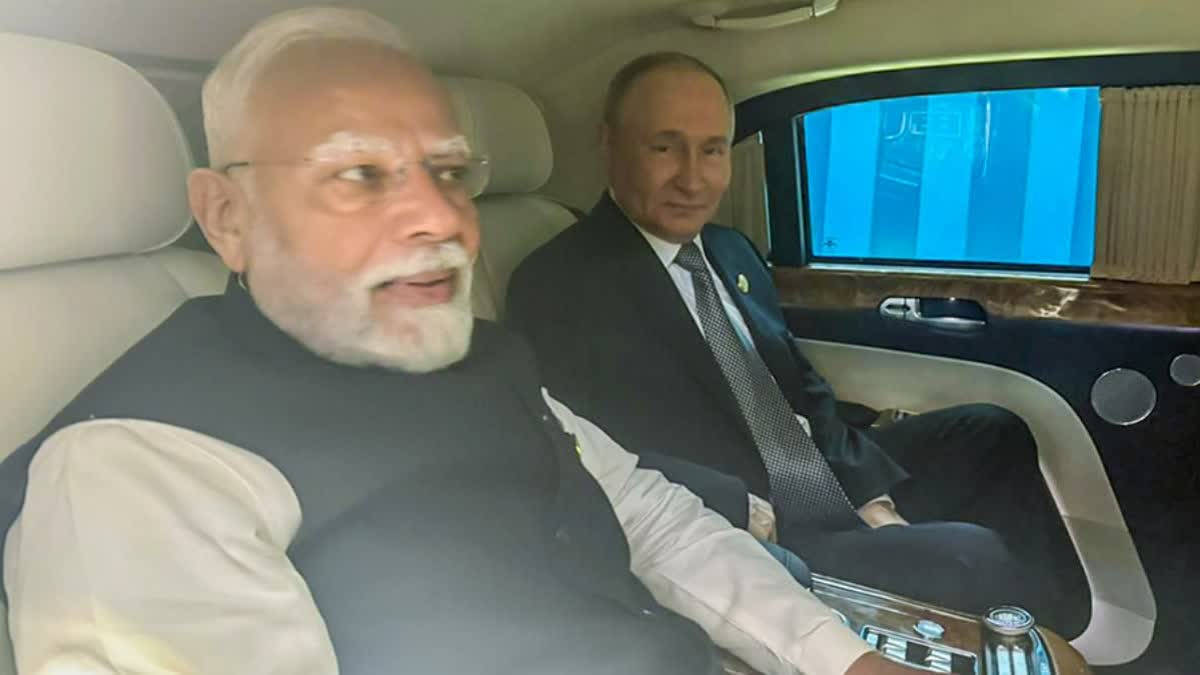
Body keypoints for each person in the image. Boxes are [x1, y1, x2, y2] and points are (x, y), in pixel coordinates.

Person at [0, 9, 934, 675]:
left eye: (447, 171)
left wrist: (842, 659)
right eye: (360, 174)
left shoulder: (474, 356)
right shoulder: (133, 468)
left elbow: (650, 516)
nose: (437, 218)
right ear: (227, 215)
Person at [505, 51, 1089, 634]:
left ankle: (1055, 632)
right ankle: (1026, 643)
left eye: (711, 150)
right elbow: (590, 454)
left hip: (815, 475)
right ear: (610, 144)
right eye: (665, 147)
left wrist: (872, 499)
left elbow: (801, 389)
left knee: (992, 430)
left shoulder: (730, 251)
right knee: (971, 555)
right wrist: (746, 509)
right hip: (757, 526)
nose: (693, 177)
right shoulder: (560, 284)